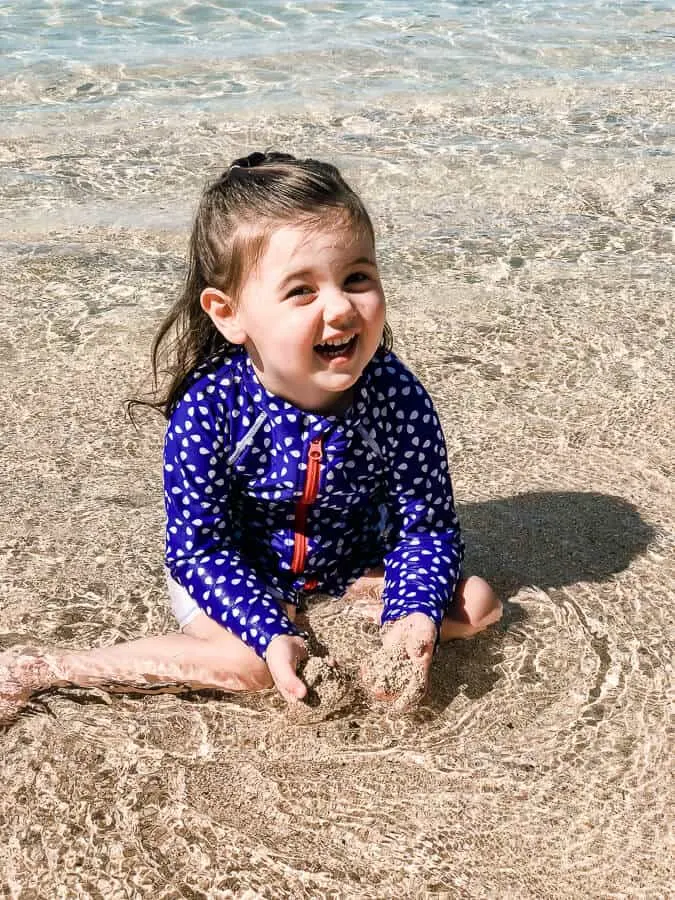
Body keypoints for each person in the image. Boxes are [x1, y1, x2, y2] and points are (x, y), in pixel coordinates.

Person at [0, 151, 501, 725]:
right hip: (234, 571)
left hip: (351, 566)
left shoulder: (396, 395)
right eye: (301, 291)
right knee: (250, 668)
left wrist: (413, 615)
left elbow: (427, 528)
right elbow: (198, 549)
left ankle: (349, 615)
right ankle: (47, 668)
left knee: (476, 604)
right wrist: (268, 629)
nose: (340, 307)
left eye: (356, 278)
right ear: (229, 313)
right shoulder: (211, 409)